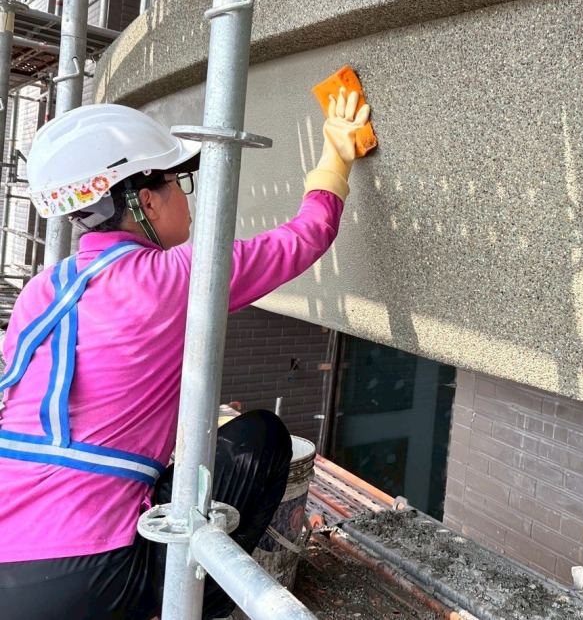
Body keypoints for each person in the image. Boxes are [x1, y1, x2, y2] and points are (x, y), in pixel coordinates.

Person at [0, 87, 370, 619]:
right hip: (88, 573)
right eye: (178, 182)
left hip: (10, 558)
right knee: (262, 438)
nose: (187, 197)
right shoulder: (172, 277)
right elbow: (305, 237)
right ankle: (192, 601)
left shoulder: (41, 290)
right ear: (146, 201)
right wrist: (335, 154)